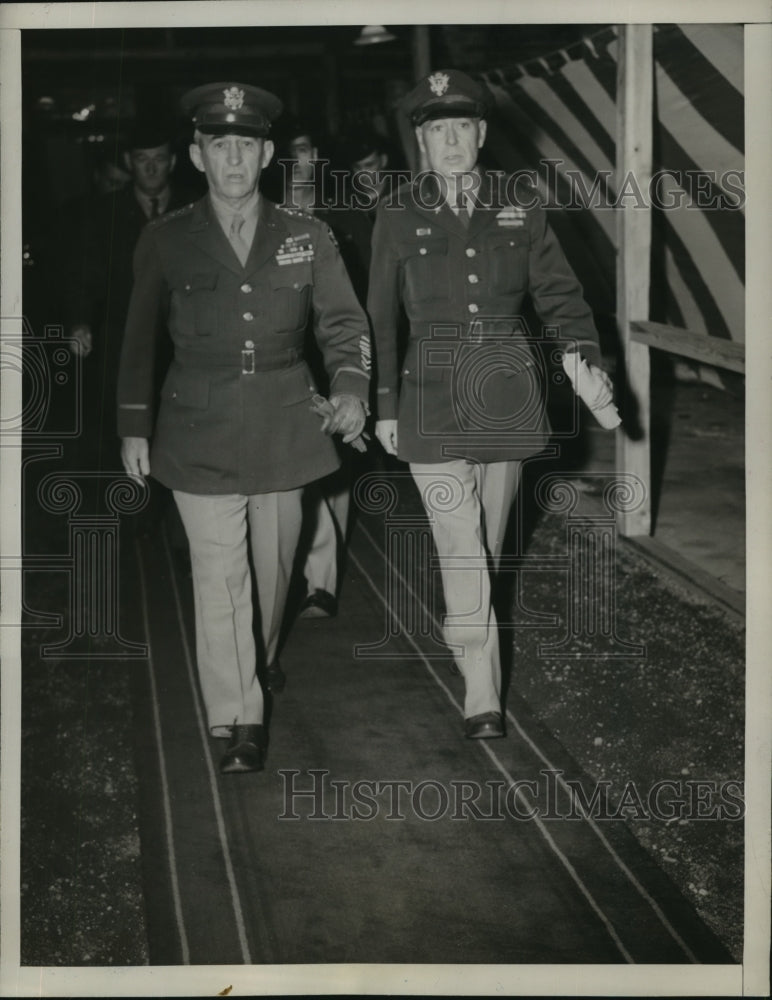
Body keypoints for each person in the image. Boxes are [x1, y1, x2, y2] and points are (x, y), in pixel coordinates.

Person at [117, 82, 370, 774]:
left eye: (246, 146)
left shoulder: (307, 235)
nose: (233, 159)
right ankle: (239, 715)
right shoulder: (165, 239)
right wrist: (134, 425)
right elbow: (138, 338)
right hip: (196, 427)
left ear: (265, 155)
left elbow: (344, 325)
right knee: (218, 575)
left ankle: (256, 657)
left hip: (286, 425)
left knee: (274, 567)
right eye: (218, 145)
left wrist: (349, 389)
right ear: (197, 156)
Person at [368, 69, 614, 740]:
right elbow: (381, 318)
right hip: (429, 396)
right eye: (436, 130)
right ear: (421, 141)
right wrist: (383, 405)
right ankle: (483, 695)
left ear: (481, 134)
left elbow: (559, 294)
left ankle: (463, 625)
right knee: (460, 541)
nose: (450, 141)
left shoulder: (521, 201)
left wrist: (583, 358)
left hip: (506, 392)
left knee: (488, 544)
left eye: (462, 128)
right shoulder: (397, 209)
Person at [275, 122, 373, 620]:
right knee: (293, 475)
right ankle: (290, 575)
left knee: (332, 470)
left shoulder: (346, 217)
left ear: (317, 155)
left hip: (332, 358)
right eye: (289, 153)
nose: (299, 162)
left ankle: (321, 584)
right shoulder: (262, 217)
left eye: (306, 150)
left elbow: (365, 299)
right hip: (285, 362)